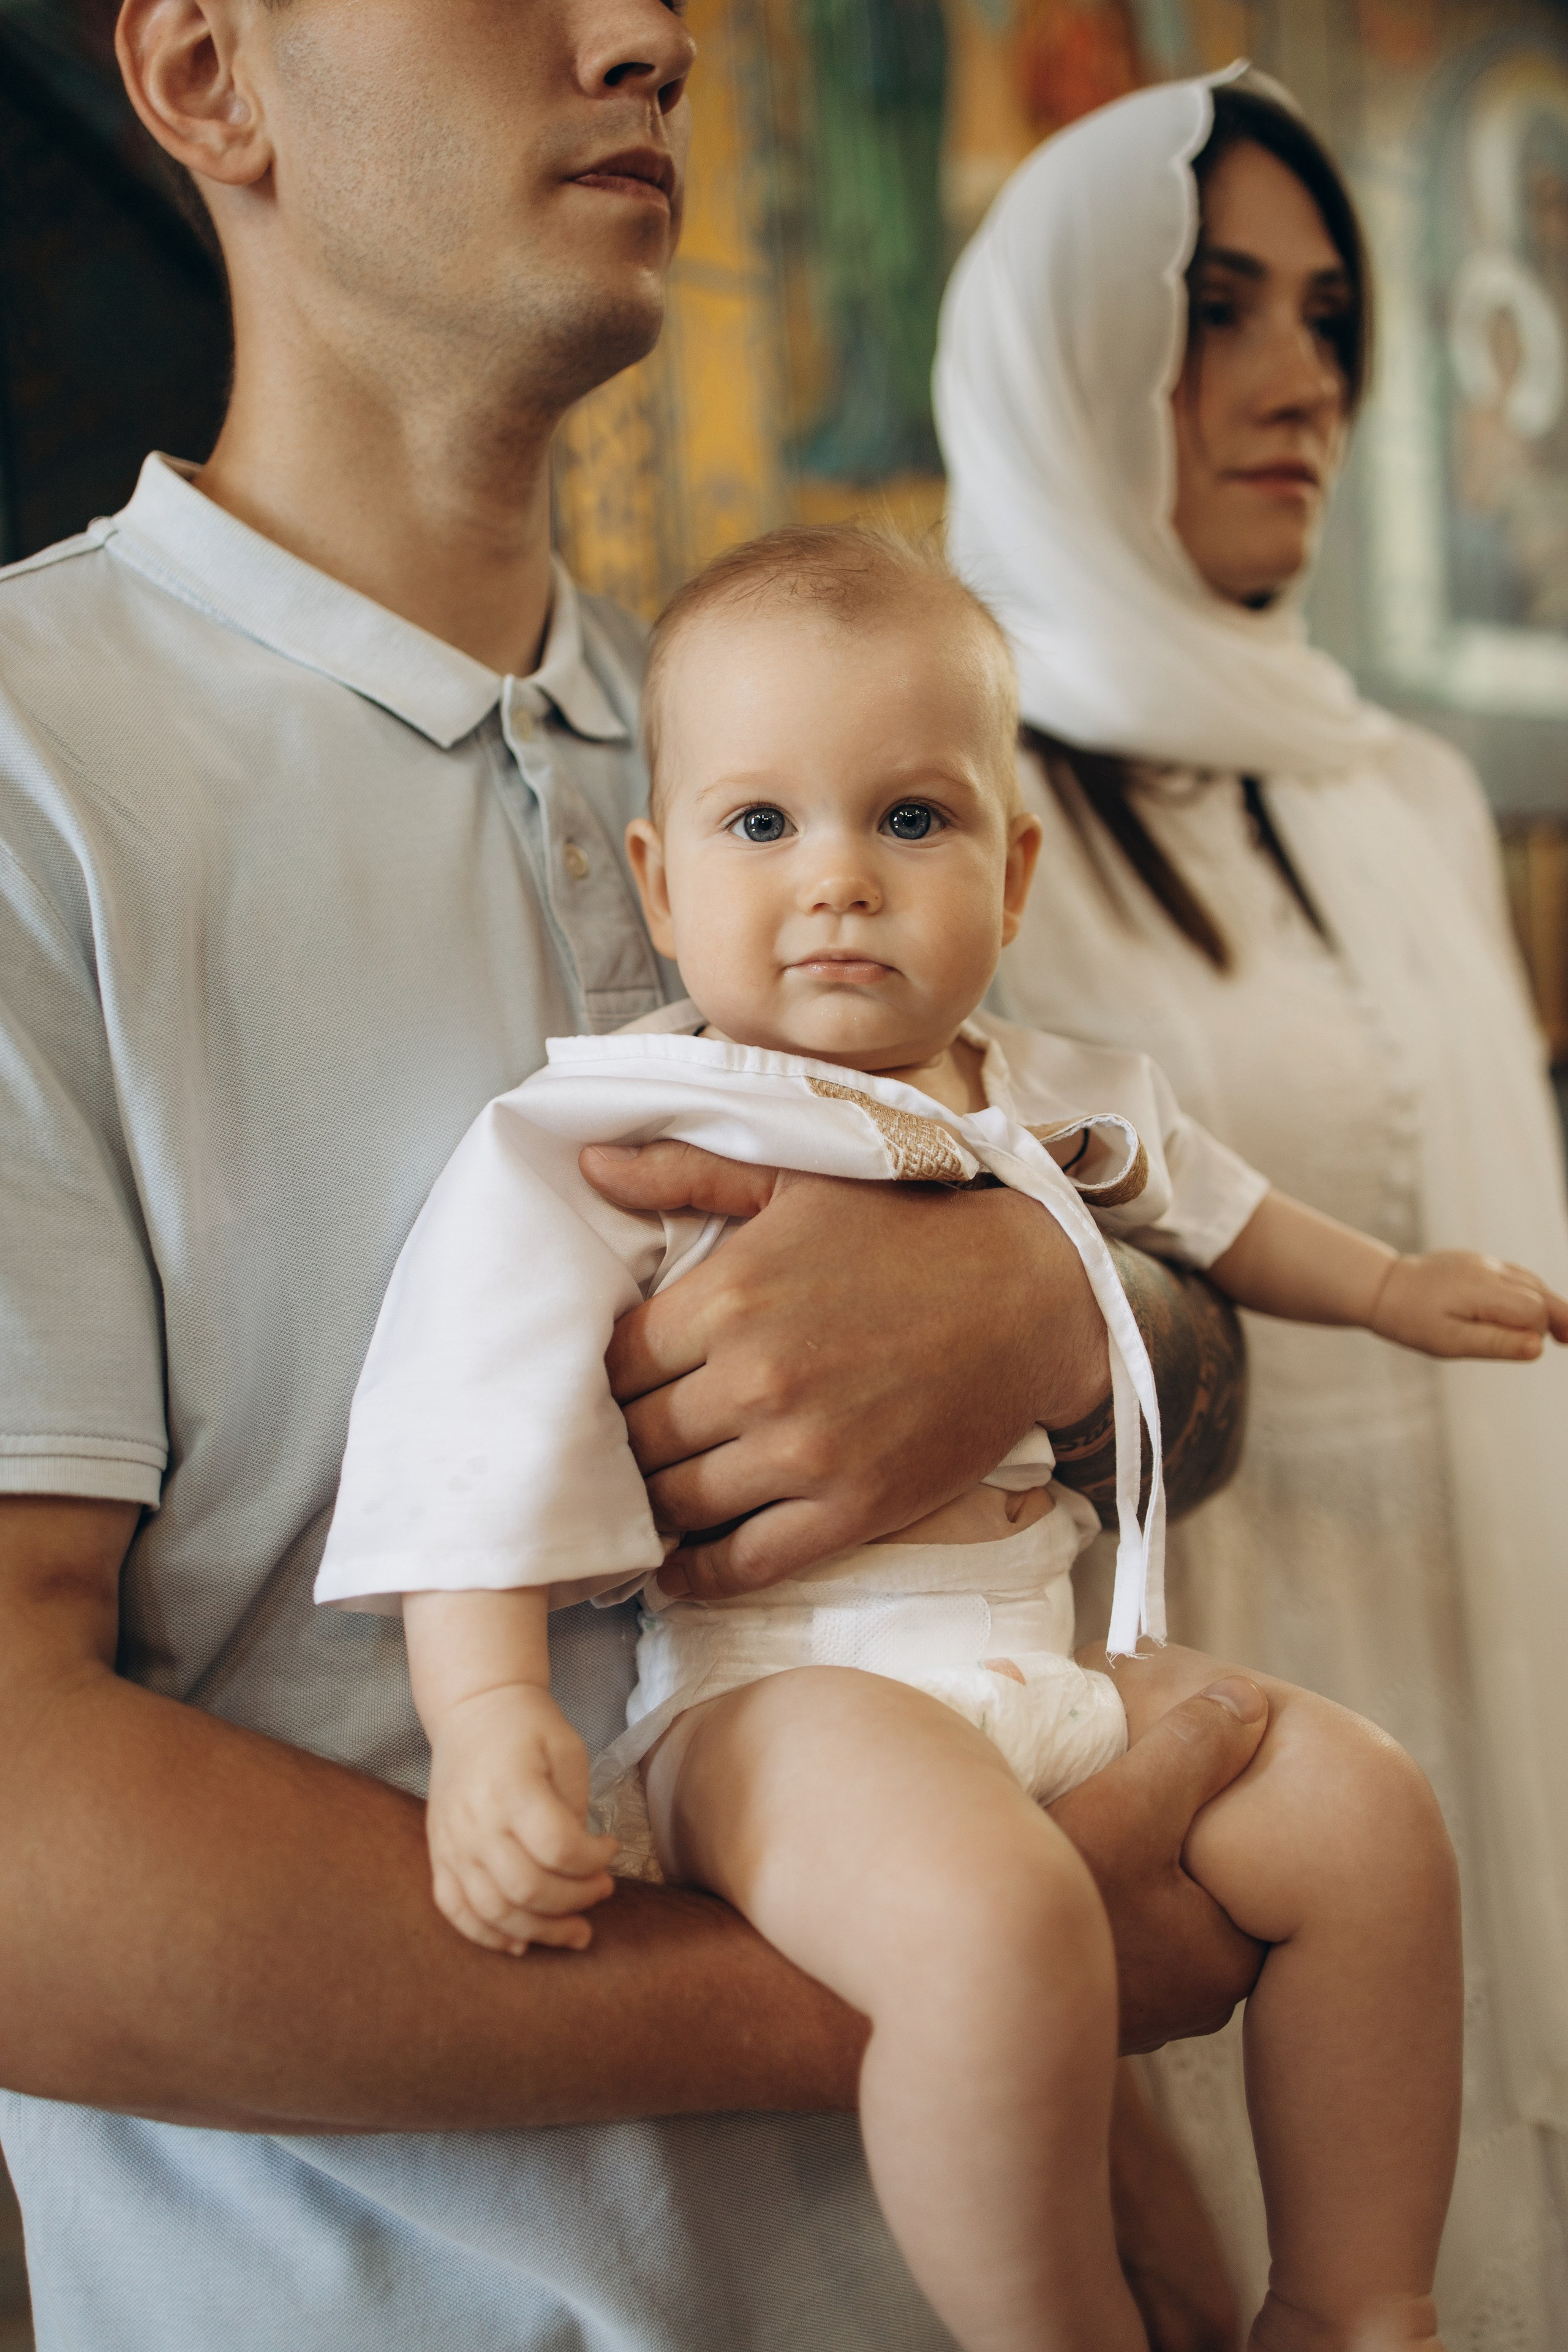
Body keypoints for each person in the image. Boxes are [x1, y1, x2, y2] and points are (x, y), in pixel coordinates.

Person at [0, 9, 1268, 2349]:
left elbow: (1186, 1336)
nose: (652, 32)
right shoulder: (32, 780)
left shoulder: (805, 737)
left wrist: (1052, 1301)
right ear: (200, 72)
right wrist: (991, 1971)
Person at [314, 516, 1568, 2347]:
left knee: (1366, 1814)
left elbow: (1216, 1214)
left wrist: (1384, 1288)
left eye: (911, 820)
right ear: (660, 885)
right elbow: (468, 1410)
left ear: (1014, 866)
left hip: (1033, 1671)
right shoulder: (621, 1118)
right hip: (779, 1703)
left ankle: (1360, 2301)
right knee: (996, 1926)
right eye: (766, 826)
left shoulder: (1045, 1096)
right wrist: (489, 1715)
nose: (839, 882)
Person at [935, 63, 1568, 2340]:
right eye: (1216, 309)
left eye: (1326, 315)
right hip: (1204, 1713)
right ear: (1067, 348)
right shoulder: (947, 812)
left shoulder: (1386, 784)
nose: (1304, 377)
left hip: (1496, 1662)